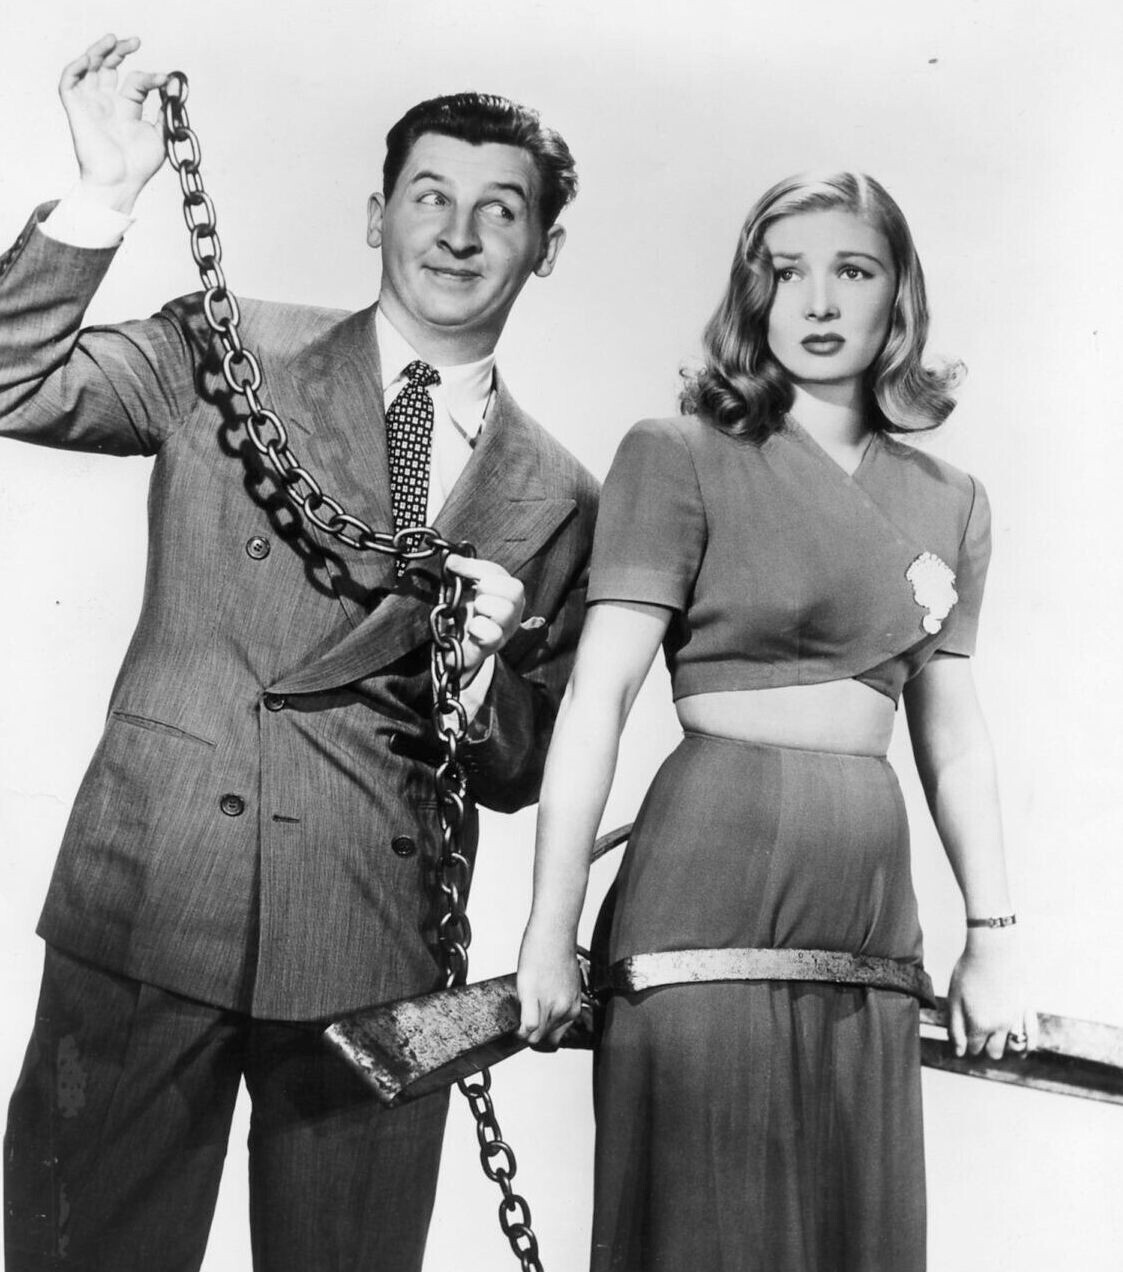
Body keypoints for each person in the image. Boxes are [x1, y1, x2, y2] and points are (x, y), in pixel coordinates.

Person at [1, 33, 597, 1272]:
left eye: (500, 210)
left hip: (373, 946)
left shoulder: (557, 495)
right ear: (377, 215)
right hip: (155, 888)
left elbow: (517, 768)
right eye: (428, 197)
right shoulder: (230, 350)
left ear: (545, 247)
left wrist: (480, 676)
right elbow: (12, 383)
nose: (457, 235)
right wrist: (103, 194)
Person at [516, 171, 1032, 1270]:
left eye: (853, 270)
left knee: (855, 1232)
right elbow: (598, 699)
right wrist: (546, 934)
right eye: (786, 271)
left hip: (867, 900)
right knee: (703, 1233)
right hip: (707, 873)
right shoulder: (677, 453)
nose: (818, 301)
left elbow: (952, 738)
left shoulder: (952, 498)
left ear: (898, 294)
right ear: (752, 293)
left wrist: (991, 939)